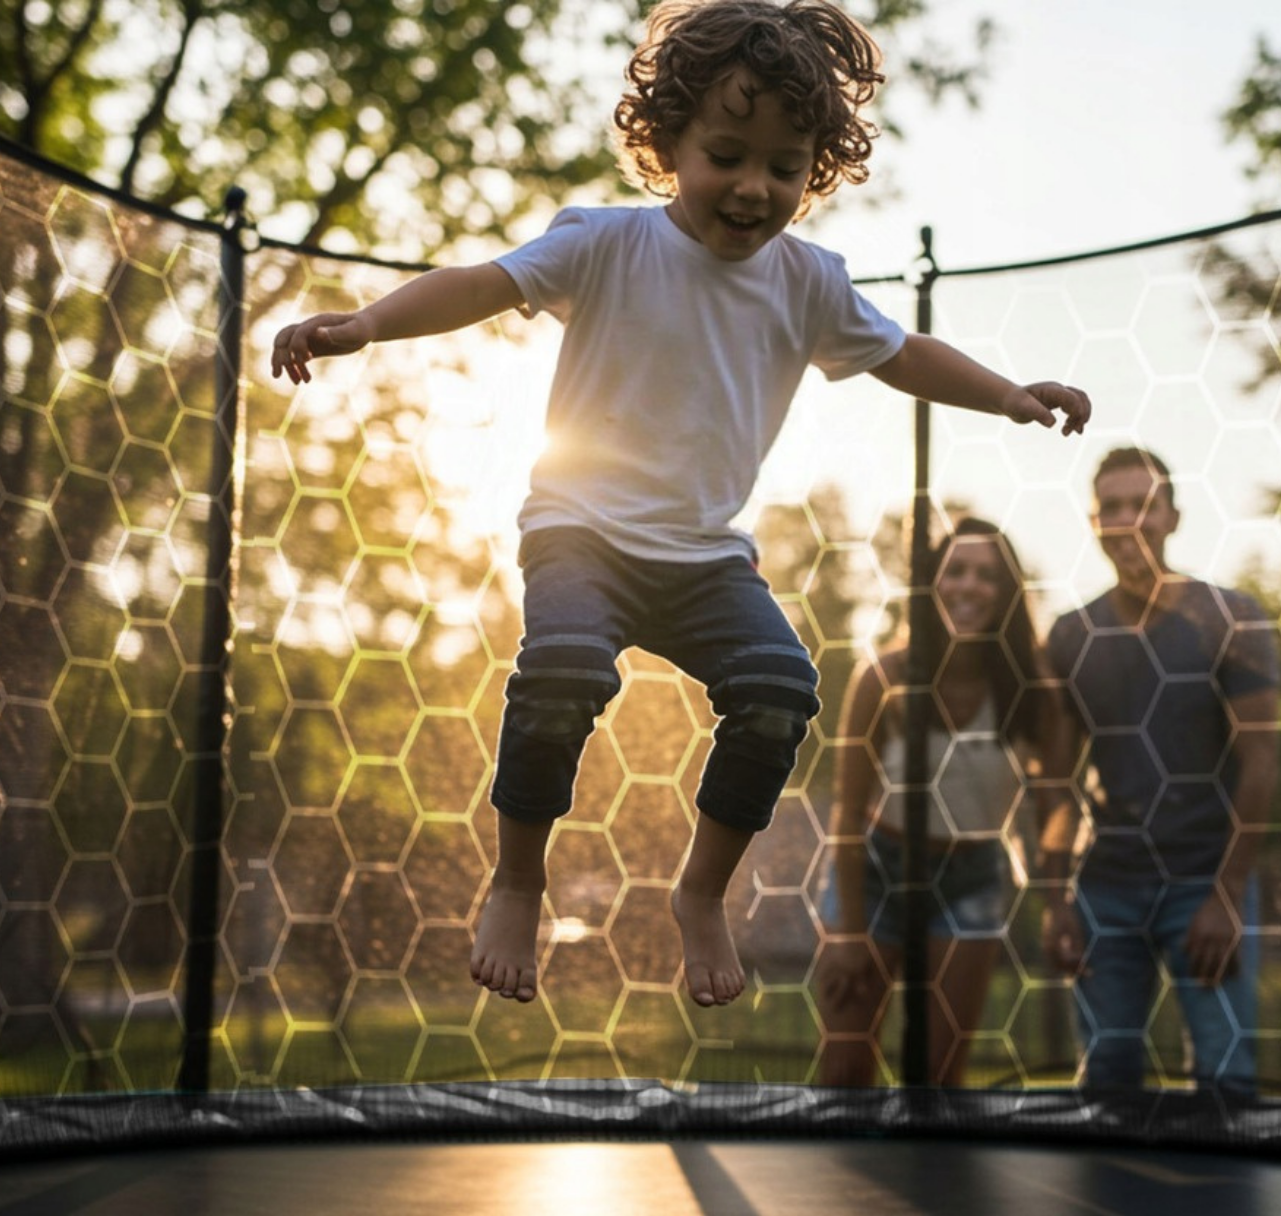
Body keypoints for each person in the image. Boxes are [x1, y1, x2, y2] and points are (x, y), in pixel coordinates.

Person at [272, 0, 1091, 1009]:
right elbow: (483, 285)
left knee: (781, 689)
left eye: (784, 168)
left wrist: (1009, 393)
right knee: (566, 666)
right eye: (727, 155)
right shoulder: (606, 244)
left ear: (814, 173)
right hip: (580, 530)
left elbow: (903, 355)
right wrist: (366, 323)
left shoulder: (809, 282)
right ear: (666, 145)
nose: (754, 188)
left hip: (705, 557)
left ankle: (701, 892)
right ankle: (518, 877)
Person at [1041, 447, 1279, 1093]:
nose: (1128, 520)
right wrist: (1057, 898)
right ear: (1093, 522)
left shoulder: (1231, 616)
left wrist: (1227, 896)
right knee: (1106, 1081)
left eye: (1143, 505)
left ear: (1172, 516)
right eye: (1111, 507)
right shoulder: (1070, 635)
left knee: (1226, 1080)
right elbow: (1056, 783)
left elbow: (1263, 760)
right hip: (1106, 886)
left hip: (1204, 880)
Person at [818, 517, 1067, 1085]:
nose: (968, 586)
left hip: (972, 875)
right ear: (932, 583)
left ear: (1007, 593)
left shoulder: (1034, 693)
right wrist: (851, 932)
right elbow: (848, 813)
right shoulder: (883, 678)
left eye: (986, 575)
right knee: (846, 1071)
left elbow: (1056, 805)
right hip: (877, 872)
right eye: (955, 571)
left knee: (938, 1076)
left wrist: (1058, 902)